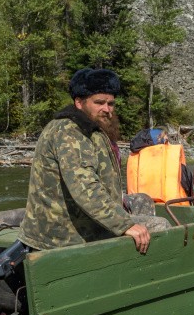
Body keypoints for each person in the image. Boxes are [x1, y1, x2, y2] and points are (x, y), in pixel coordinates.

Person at [19, 68, 170, 255]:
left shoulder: (89, 127)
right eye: (99, 102)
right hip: (61, 235)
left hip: (77, 224)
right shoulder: (69, 131)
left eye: (111, 103)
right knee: (161, 226)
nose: (107, 109)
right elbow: (85, 187)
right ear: (79, 103)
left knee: (143, 203)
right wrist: (124, 224)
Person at [126, 127, 194, 203]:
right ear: (158, 139)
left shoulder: (134, 157)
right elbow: (188, 185)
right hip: (172, 208)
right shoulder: (171, 156)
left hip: (138, 207)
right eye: (166, 140)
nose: (168, 143)